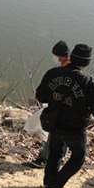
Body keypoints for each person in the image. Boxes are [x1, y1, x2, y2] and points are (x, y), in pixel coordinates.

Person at [35, 44, 94, 188]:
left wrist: (56, 99)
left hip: (53, 123)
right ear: (86, 63)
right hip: (74, 129)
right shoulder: (90, 83)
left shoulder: (53, 73)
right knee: (78, 158)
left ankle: (48, 183)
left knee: (55, 154)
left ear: (71, 57)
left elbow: (41, 96)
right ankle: (53, 186)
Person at [30, 40, 70, 168]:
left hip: (56, 112)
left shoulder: (54, 74)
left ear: (60, 56)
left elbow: (41, 95)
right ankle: (60, 158)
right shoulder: (80, 75)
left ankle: (45, 159)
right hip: (71, 113)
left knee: (51, 138)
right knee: (66, 139)